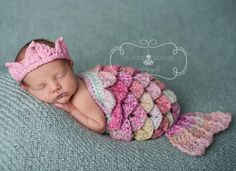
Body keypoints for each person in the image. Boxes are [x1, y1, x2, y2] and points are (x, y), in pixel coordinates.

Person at [5, 37, 231, 156]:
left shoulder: (81, 96)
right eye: (42, 86)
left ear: (71, 66)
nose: (55, 87)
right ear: (28, 90)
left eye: (60, 75)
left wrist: (72, 110)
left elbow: (98, 124)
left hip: (151, 111)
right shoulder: (56, 88)